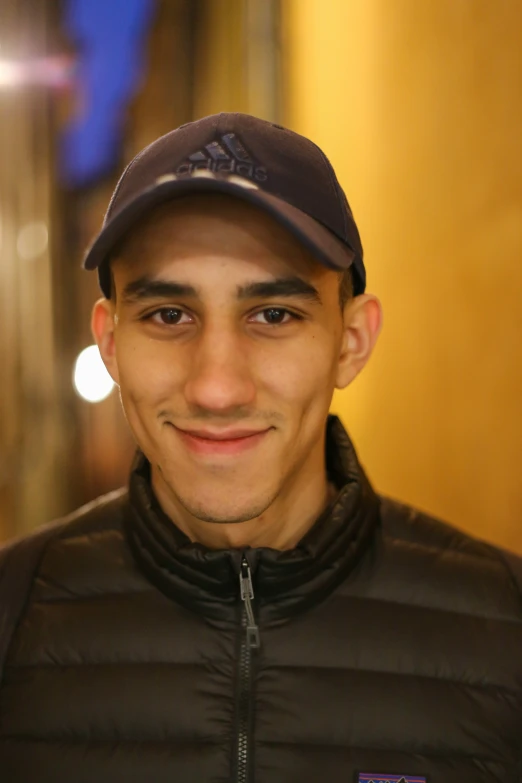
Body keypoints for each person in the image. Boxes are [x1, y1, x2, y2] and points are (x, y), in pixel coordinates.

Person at [0, 113, 520, 783]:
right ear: (110, 345)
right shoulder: (11, 617)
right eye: (168, 315)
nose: (217, 387)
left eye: (274, 315)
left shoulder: (506, 629)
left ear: (351, 341)